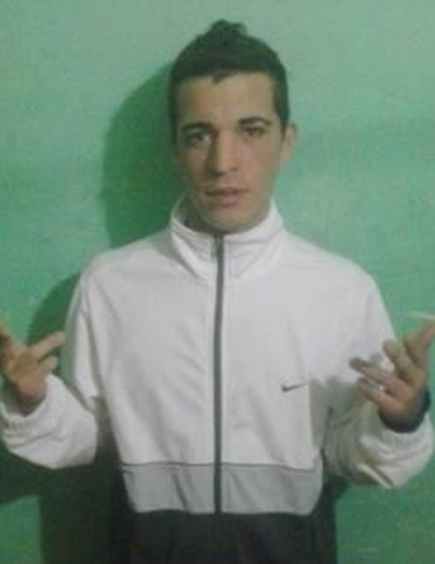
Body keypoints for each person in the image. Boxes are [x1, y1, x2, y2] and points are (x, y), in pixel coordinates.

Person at [1, 20, 434, 564]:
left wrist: (400, 418)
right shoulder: (109, 284)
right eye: (199, 134)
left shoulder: (343, 291)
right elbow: (91, 437)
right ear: (174, 149)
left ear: (286, 140)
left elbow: (352, 455)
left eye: (251, 130)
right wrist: (34, 403)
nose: (223, 162)